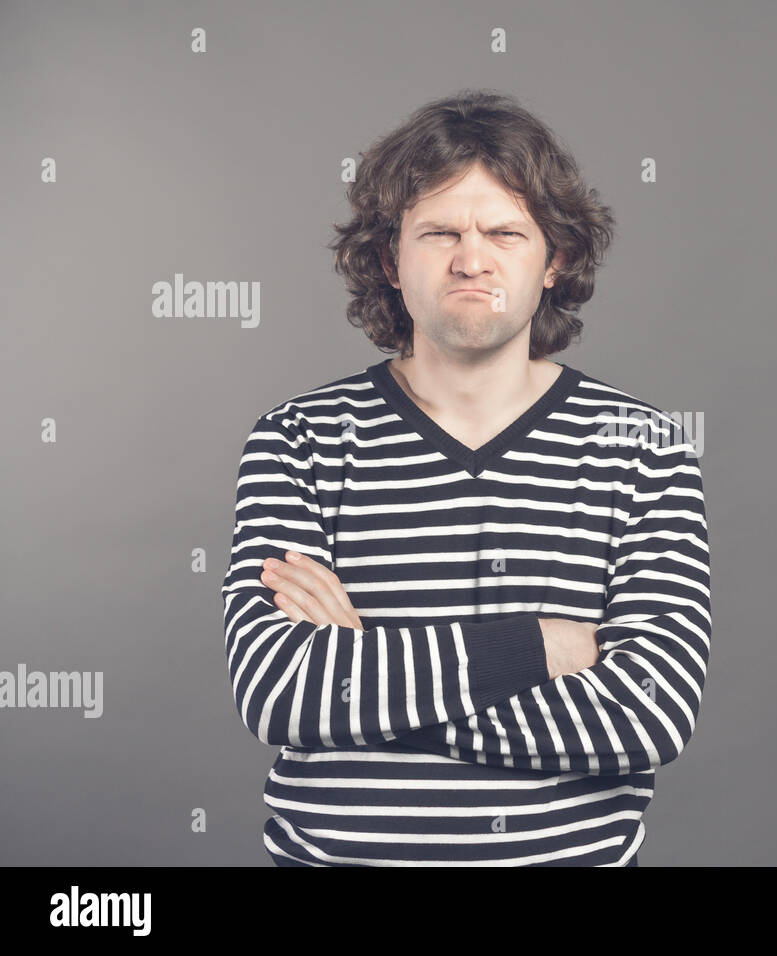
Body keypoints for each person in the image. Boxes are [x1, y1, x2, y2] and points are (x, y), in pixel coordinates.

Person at [220, 90, 710, 866]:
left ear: (556, 261)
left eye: (505, 233)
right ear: (390, 259)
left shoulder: (645, 447)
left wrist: (370, 677)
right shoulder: (298, 440)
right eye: (440, 231)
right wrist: (539, 649)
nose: (471, 258)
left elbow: (648, 716)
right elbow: (284, 695)